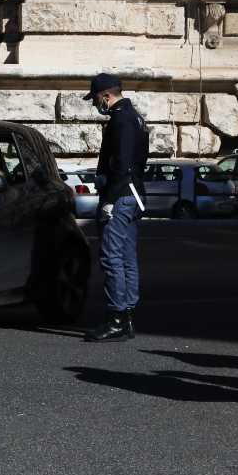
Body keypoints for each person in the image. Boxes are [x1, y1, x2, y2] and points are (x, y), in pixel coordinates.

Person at [82, 73, 149, 343]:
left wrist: (109, 198)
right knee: (127, 257)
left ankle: (117, 317)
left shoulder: (121, 120)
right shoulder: (135, 117)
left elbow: (122, 163)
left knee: (111, 257)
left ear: (106, 95)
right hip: (134, 194)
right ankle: (128, 314)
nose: (95, 104)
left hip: (120, 195)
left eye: (96, 98)